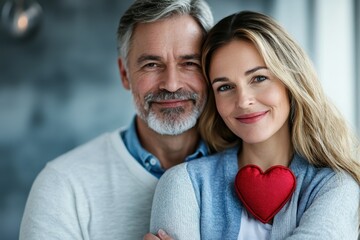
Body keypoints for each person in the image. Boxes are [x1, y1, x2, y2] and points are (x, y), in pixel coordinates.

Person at [147, 11, 360, 240]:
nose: (243, 101)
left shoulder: (336, 186)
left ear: (291, 81)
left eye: (258, 78)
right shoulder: (184, 183)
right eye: (225, 87)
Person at [19, 0, 213, 239]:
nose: (171, 84)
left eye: (189, 63)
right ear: (125, 74)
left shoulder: (245, 166)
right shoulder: (63, 185)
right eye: (152, 64)